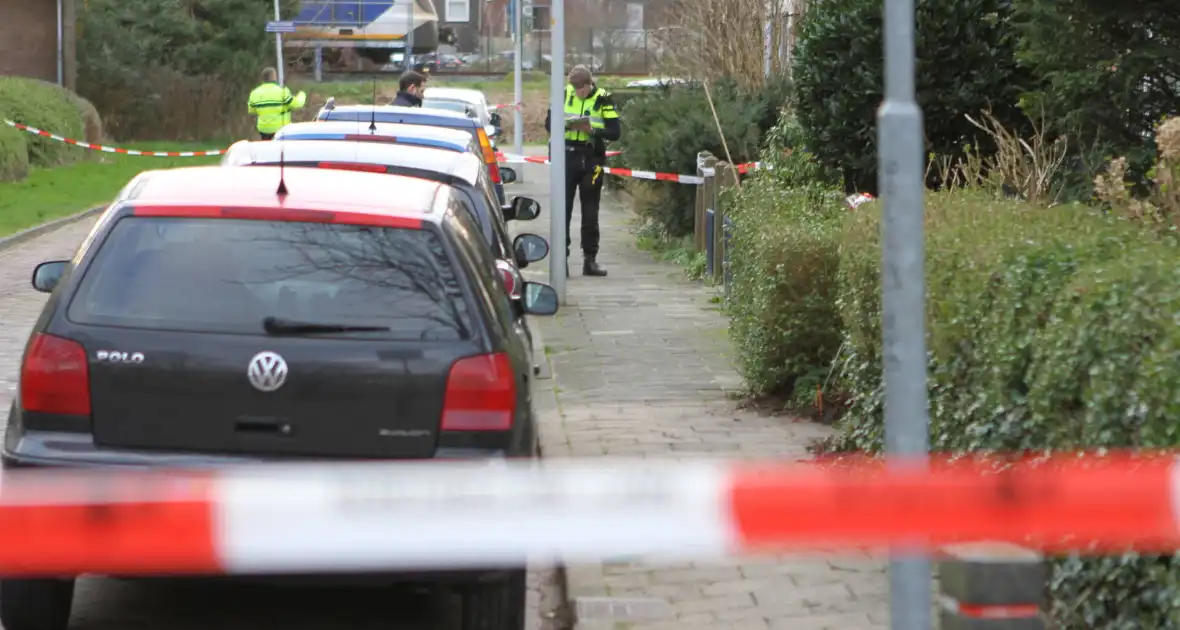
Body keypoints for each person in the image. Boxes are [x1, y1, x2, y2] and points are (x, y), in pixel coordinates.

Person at [543, 65, 620, 277]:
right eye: (575, 89)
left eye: (581, 89)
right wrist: (567, 125)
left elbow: (615, 132)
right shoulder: (563, 93)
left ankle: (590, 259)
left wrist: (593, 130)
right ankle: (561, 260)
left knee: (590, 211)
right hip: (566, 157)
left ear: (589, 84)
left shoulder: (603, 98)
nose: (578, 93)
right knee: (563, 210)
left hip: (591, 158)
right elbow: (549, 124)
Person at [246, 67, 307, 140]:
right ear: (274, 77)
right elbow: (297, 104)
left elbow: (252, 111)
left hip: (264, 129)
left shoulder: (254, 93)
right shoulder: (282, 92)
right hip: (281, 130)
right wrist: (302, 94)